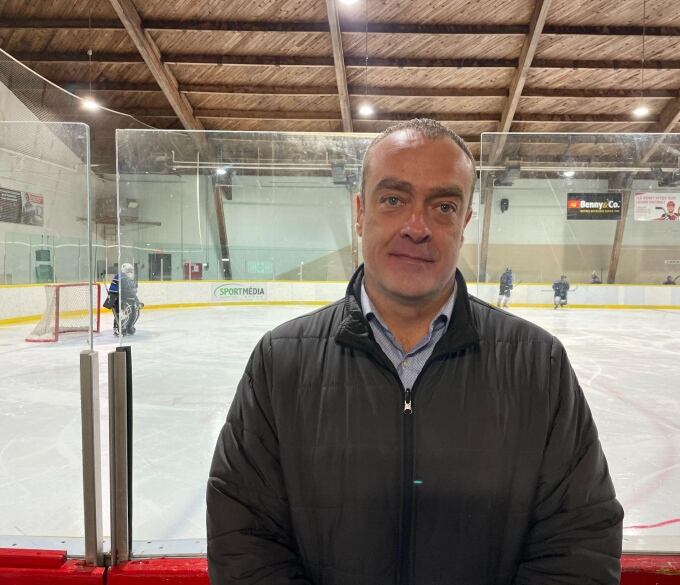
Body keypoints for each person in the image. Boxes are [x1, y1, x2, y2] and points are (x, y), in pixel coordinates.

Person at [207, 119, 623, 585]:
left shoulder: (537, 364)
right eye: (394, 199)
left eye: (443, 205)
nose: (417, 227)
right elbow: (244, 541)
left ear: (464, 223)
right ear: (360, 213)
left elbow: (579, 545)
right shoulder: (280, 362)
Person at [104, 263, 142, 335]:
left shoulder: (130, 279)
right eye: (128, 270)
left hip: (129, 300)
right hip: (120, 300)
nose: (130, 272)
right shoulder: (119, 277)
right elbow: (113, 290)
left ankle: (129, 327)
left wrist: (136, 299)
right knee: (121, 314)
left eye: (131, 270)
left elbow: (133, 291)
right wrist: (112, 300)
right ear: (124, 270)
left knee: (134, 312)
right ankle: (118, 328)